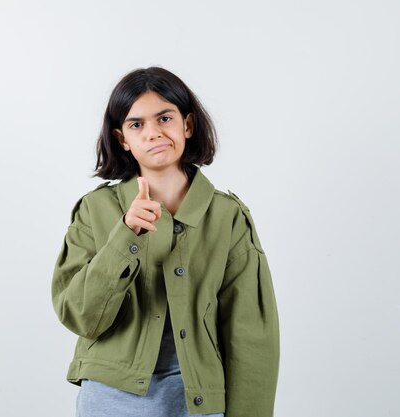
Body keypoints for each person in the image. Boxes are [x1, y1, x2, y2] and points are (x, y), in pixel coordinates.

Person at [51, 66, 280, 417]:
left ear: (187, 125)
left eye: (164, 118)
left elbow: (251, 334)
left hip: (199, 399)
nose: (154, 133)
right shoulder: (94, 210)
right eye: (136, 124)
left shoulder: (228, 217)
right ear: (122, 139)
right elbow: (81, 317)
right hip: (111, 397)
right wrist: (125, 235)